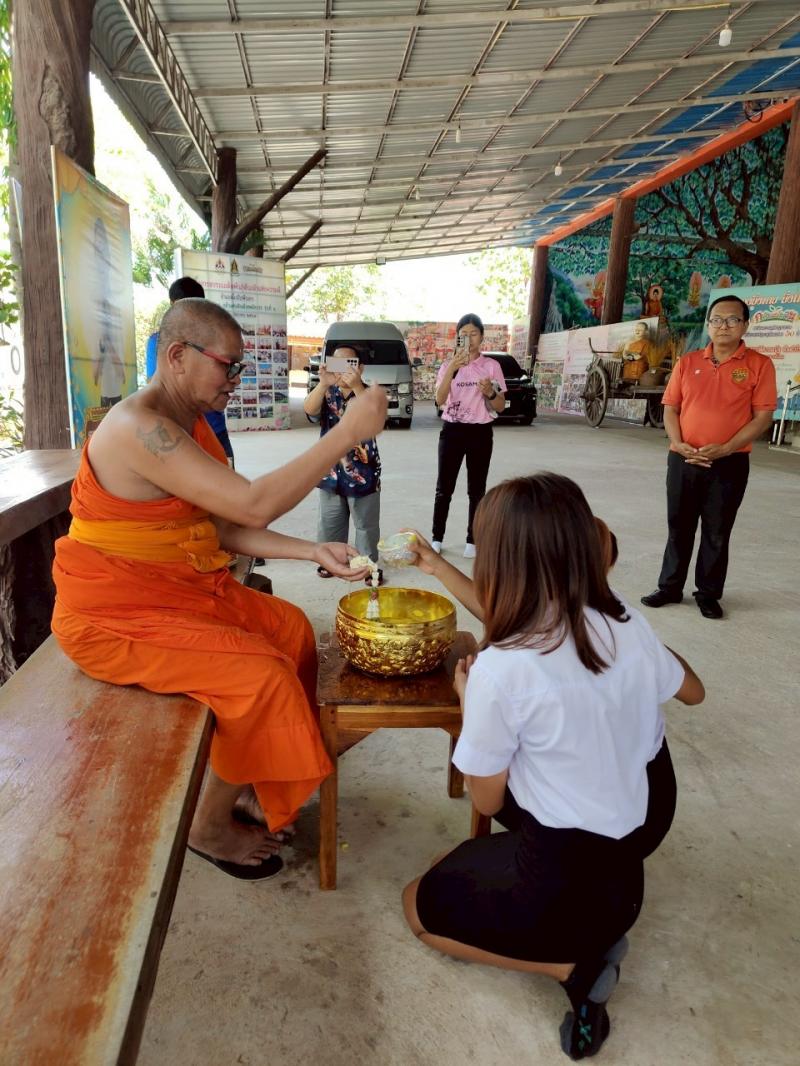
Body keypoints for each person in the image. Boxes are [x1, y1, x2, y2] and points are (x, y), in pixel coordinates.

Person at [52, 298, 387, 880]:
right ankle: (207, 827)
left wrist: (311, 550)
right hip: (113, 615)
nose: (237, 380)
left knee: (291, 628)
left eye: (241, 368)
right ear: (178, 356)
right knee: (261, 674)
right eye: (228, 366)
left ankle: (261, 780)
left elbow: (223, 525)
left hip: (176, 590)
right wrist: (345, 434)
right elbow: (249, 503)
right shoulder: (139, 427)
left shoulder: (188, 423)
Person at [400, 474, 704, 1060]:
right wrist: (642, 653)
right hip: (635, 845)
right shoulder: (626, 623)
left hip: (565, 869)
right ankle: (588, 939)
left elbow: (486, 802)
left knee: (419, 906)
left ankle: (570, 966)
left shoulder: (502, 669)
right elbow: (692, 692)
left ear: (500, 561)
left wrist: (470, 706)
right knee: (454, 862)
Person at [641, 295, 777, 619]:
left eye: (732, 320)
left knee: (717, 531)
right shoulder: (688, 362)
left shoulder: (759, 365)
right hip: (683, 458)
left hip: (728, 463)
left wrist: (726, 447)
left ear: (745, 325)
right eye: (716, 320)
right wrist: (678, 443)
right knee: (679, 525)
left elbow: (762, 418)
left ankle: (708, 594)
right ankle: (669, 587)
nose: (723, 326)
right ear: (709, 324)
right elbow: (671, 408)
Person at [303, 347, 383, 585]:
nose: (342, 367)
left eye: (348, 362)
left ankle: (367, 567)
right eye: (337, 362)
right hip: (329, 471)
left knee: (365, 526)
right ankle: (331, 562)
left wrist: (358, 386)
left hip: (364, 472)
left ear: (360, 367)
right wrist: (322, 384)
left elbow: (378, 413)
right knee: (330, 522)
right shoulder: (327, 391)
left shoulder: (369, 392)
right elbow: (309, 409)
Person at [432, 313, 506, 558]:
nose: (469, 338)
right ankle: (437, 538)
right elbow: (439, 400)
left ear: (482, 337)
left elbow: (500, 406)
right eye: (464, 334)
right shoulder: (447, 366)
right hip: (452, 430)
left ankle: (472, 541)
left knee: (477, 490)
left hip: (480, 432)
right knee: (444, 488)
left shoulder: (491, 366)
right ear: (457, 337)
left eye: (474, 333)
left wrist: (490, 392)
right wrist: (453, 367)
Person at [146, 277, 235, 464]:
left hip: (214, 428)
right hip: (181, 432)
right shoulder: (159, 342)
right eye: (223, 364)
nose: (236, 380)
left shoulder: (216, 341)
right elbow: (248, 494)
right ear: (176, 356)